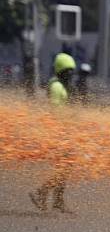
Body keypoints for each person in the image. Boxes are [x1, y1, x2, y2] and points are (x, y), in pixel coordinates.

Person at [30, 53, 76, 213]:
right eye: (67, 71)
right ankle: (41, 192)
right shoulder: (57, 86)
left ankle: (57, 200)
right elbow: (56, 111)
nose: (71, 75)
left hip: (63, 131)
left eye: (72, 71)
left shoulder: (62, 85)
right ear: (60, 71)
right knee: (63, 168)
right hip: (58, 133)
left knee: (65, 167)